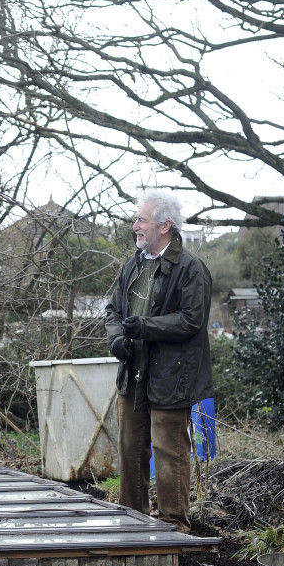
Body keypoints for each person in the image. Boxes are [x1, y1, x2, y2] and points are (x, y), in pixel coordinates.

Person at [105, 189, 213, 533]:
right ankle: (133, 521)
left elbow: (191, 320)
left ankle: (173, 528)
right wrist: (117, 340)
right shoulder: (134, 263)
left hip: (171, 375)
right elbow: (112, 311)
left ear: (165, 226)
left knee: (170, 452)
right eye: (137, 219)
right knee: (130, 448)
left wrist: (146, 327)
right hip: (132, 372)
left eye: (141, 220)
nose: (135, 225)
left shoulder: (191, 268)